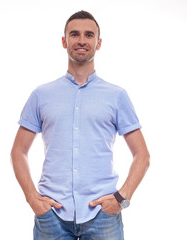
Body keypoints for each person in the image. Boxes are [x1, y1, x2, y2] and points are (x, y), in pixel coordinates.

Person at [11, 10, 150, 240]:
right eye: (74, 34)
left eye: (89, 35)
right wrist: (32, 199)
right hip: (52, 216)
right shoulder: (41, 95)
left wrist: (121, 199)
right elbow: (18, 151)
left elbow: (142, 155)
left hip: (103, 216)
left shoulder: (117, 96)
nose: (82, 40)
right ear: (64, 41)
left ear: (99, 43)